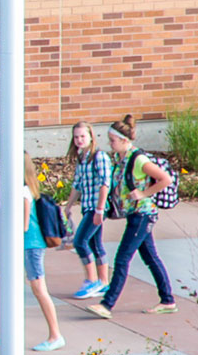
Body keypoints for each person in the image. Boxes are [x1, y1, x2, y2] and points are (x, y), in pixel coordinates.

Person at [0, 153, 66, 351]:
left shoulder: (23, 192)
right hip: (20, 246)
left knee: (39, 289)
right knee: (0, 285)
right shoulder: (21, 190)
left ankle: (55, 335)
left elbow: (23, 226)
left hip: (31, 246)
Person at [91, 115, 176, 318]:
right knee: (151, 258)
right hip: (135, 214)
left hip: (143, 214)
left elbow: (165, 179)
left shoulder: (139, 159)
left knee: (122, 259)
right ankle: (168, 300)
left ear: (124, 140)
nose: (110, 144)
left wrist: (143, 193)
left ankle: (107, 304)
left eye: (112, 140)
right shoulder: (122, 158)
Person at [65, 122, 112, 301]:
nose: (79, 140)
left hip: (96, 208)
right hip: (88, 206)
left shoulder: (99, 157)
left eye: (82, 136)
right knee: (95, 244)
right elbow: (77, 184)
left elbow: (104, 184)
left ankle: (92, 280)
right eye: (76, 137)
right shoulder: (82, 158)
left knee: (80, 241)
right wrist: (68, 205)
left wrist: (100, 209)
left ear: (91, 137)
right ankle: (104, 282)